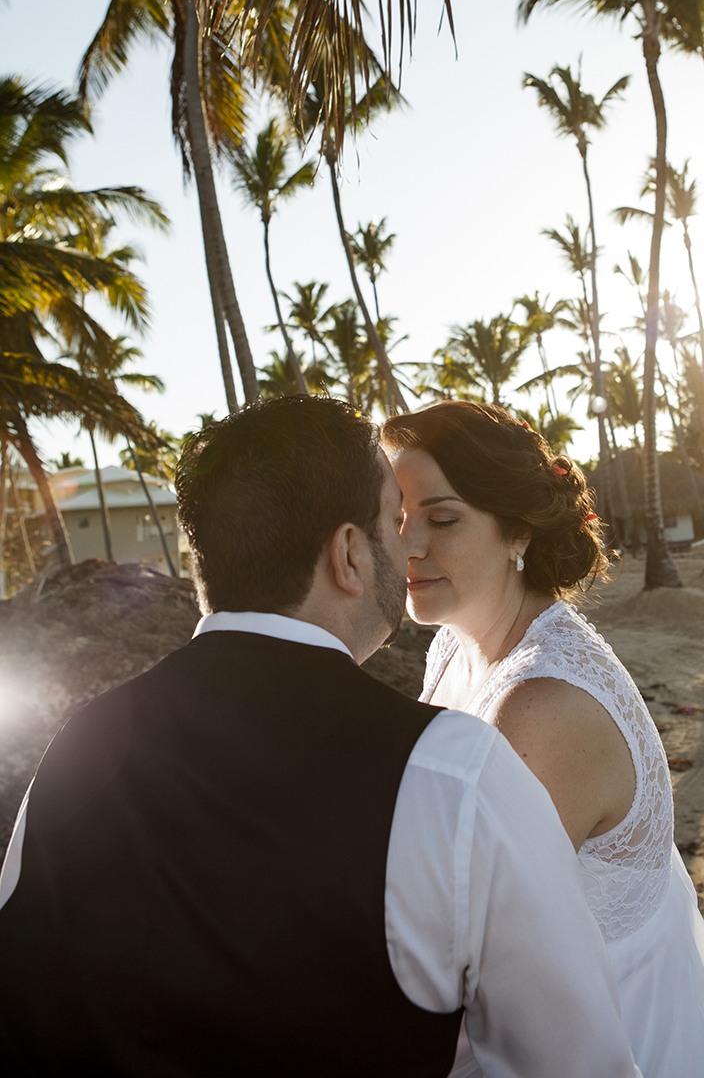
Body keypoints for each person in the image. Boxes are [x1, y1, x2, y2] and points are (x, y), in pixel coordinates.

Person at [0, 395, 641, 1078]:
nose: (410, 544)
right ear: (350, 555)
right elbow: (580, 1065)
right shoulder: (456, 778)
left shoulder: (77, 745)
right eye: (392, 523)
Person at [382, 398, 704, 1078]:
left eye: (442, 519)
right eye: (398, 517)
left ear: (518, 533)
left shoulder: (542, 708)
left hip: (608, 1032)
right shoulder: (455, 643)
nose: (409, 545)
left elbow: (474, 949)